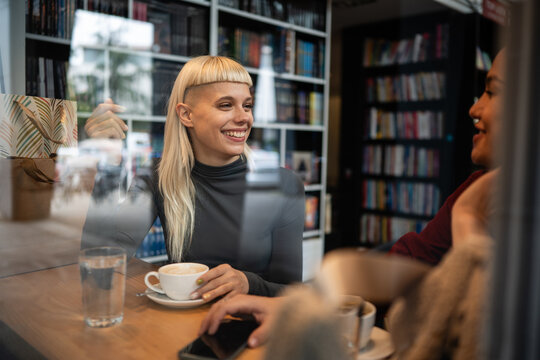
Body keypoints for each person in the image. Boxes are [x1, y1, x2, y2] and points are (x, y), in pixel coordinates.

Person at [81, 56, 305, 300]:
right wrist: (107, 165)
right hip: (181, 330)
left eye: (247, 105)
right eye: (226, 105)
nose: (244, 118)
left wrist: (248, 283)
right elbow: (99, 270)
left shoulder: (283, 185)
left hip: (251, 332)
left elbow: (292, 295)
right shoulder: (159, 179)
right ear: (186, 115)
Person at [388, 48, 505, 265]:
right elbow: (409, 262)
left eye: (492, 91)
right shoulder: (477, 187)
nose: (473, 109)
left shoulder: (473, 199)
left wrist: (466, 215)